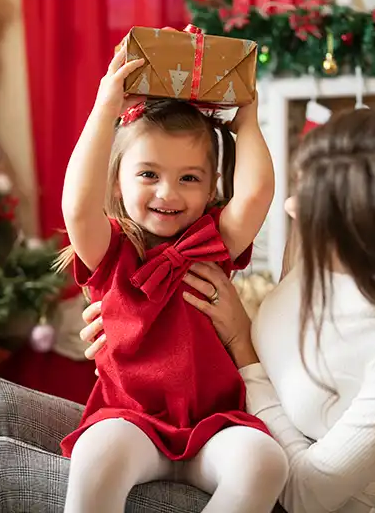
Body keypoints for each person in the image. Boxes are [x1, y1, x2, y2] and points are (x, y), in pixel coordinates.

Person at [0, 105, 375, 513]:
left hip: (262, 473)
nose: (291, 207)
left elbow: (304, 491)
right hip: (147, 416)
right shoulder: (314, 258)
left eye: (315, 202)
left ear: (373, 237)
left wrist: (242, 347)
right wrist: (131, 328)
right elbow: (86, 213)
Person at [54, 42, 287, 513]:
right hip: (131, 420)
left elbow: (258, 190)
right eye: (148, 174)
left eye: (189, 178)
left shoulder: (210, 241)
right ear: (117, 178)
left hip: (214, 425)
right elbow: (77, 205)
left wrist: (247, 120)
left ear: (212, 185)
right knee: (96, 453)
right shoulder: (112, 248)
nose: (168, 192)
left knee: (266, 462)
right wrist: (106, 108)